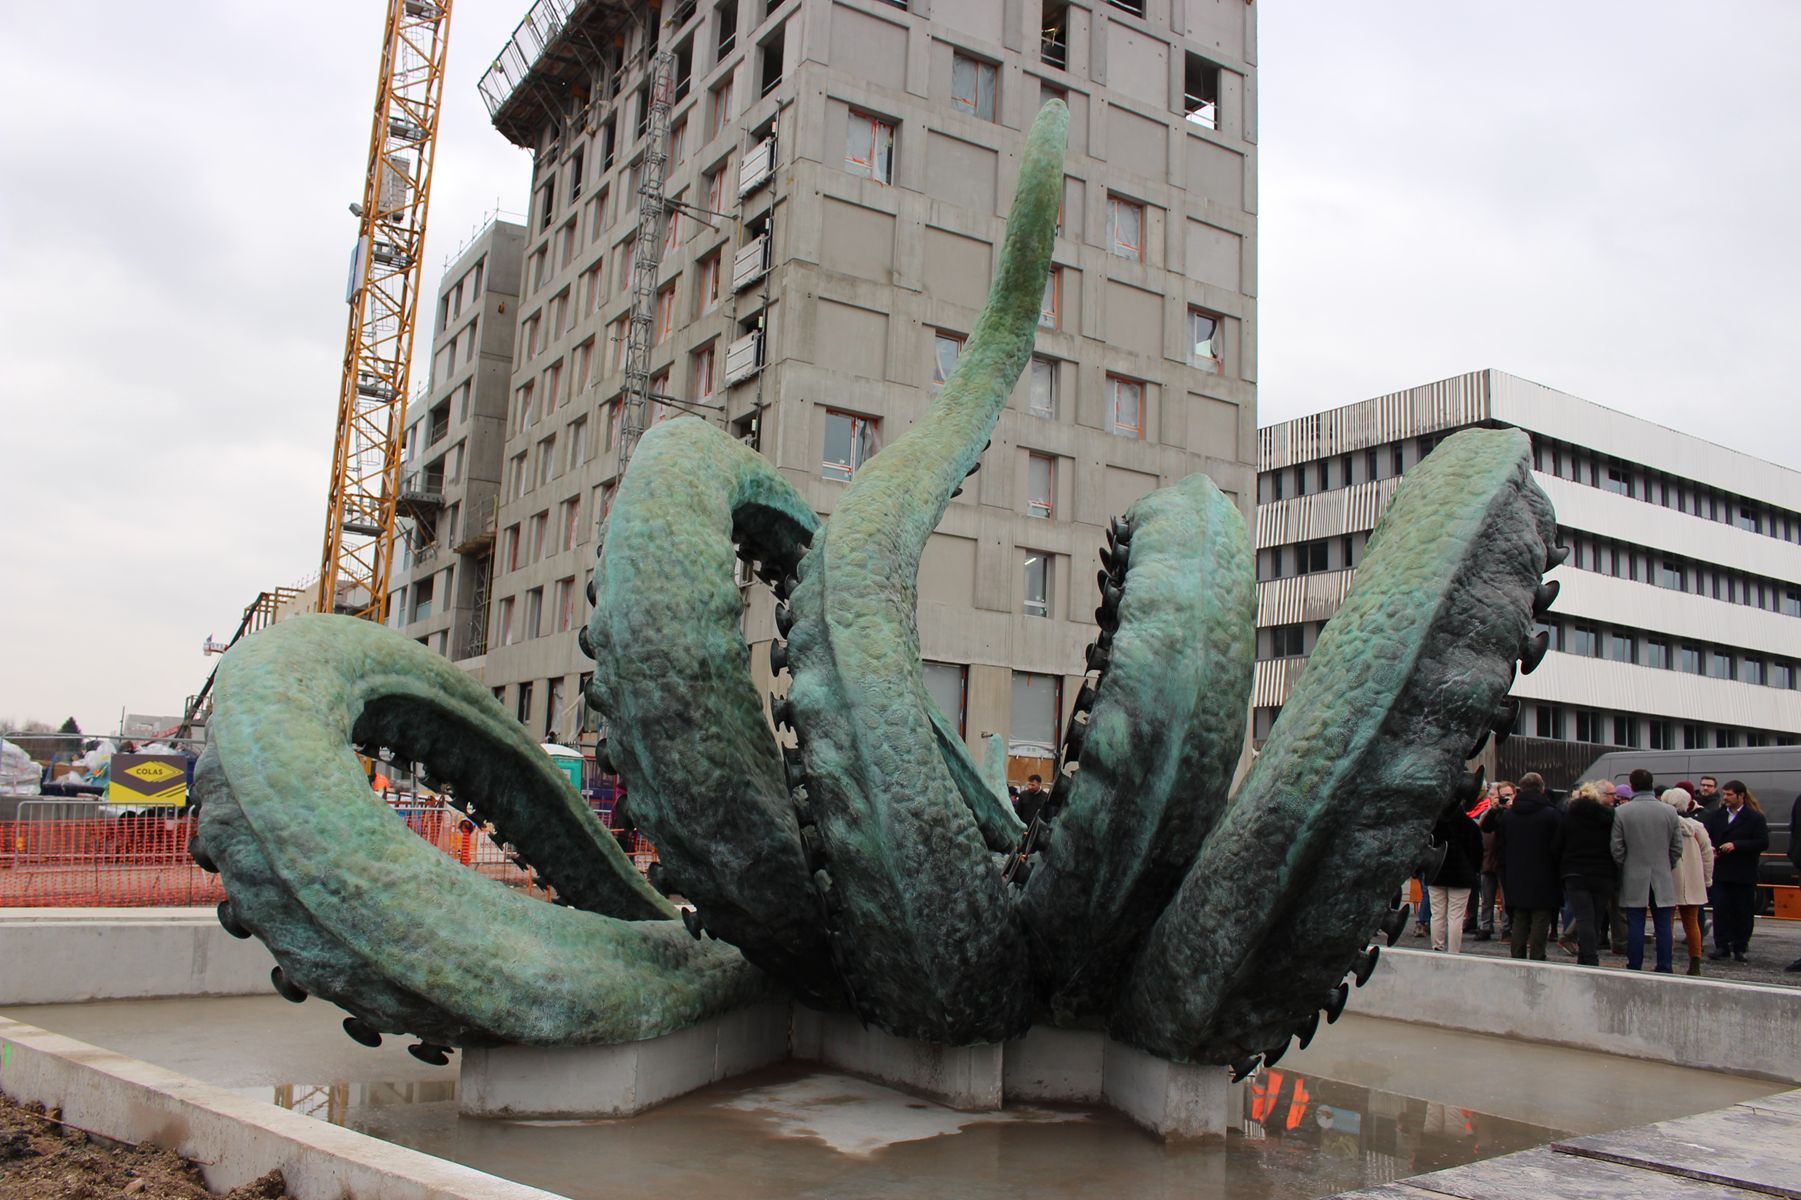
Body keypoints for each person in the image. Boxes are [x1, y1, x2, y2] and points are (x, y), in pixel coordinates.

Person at [1611, 767, 1684, 973]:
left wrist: (1626, 865)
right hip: (1661, 873)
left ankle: (1635, 965)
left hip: (1633, 873)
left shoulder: (1621, 812)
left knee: (1635, 923)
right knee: (1663, 925)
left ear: (1632, 786)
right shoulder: (1669, 811)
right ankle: (1665, 966)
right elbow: (1677, 847)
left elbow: (1616, 847)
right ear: (1652, 785)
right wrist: (1665, 863)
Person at [1495, 773, 1562, 960]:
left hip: (1515, 873)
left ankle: (1517, 956)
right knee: (1541, 916)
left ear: (1519, 790)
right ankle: (1537, 956)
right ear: (1542, 788)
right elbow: (1558, 846)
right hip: (1544, 873)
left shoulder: (1508, 816)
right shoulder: (1551, 814)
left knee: (1519, 918)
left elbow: (1501, 847)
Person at [1703, 780, 1768, 962]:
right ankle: (1721, 945)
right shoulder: (1716, 816)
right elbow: (1707, 838)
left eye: (1730, 794)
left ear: (1741, 796)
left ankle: (1740, 946)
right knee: (1721, 909)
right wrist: (1712, 850)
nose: (1726, 798)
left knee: (1743, 911)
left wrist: (1737, 845)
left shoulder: (1754, 818)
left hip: (1743, 872)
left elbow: (1762, 842)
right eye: (1724, 794)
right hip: (1721, 871)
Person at [1556, 782, 1617, 966]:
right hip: (1603, 873)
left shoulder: (1569, 817)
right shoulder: (1609, 818)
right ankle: (1587, 957)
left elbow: (1557, 845)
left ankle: (1589, 958)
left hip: (1575, 873)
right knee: (1596, 919)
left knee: (1583, 918)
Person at [1661, 786, 1715, 975]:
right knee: (1692, 922)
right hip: (1692, 878)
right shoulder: (1697, 827)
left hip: (1668, 877)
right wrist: (1707, 879)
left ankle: (1665, 959)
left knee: (1665, 922)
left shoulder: (1663, 824)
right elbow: (1708, 853)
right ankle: (1695, 961)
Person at [1427, 800, 1483, 953]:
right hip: (1462, 875)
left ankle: (1437, 947)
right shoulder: (1470, 825)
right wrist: (1474, 871)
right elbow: (1478, 853)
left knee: (1437, 914)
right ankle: (1453, 951)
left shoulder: (1434, 824)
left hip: (1436, 873)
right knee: (1456, 916)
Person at [1471, 781, 1514, 940]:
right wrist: (1494, 810)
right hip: (1488, 859)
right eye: (1501, 796)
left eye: (1508, 796)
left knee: (1506, 898)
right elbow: (1484, 827)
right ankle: (1485, 926)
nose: (1503, 799)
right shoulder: (1490, 812)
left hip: (1504, 860)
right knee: (1487, 898)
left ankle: (1506, 928)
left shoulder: (1514, 812)